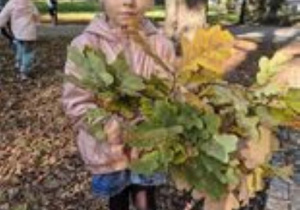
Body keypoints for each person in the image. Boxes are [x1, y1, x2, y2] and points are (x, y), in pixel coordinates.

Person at [62, 0, 175, 209]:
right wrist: (106, 125)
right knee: (117, 200)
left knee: (146, 198)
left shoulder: (161, 45)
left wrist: (154, 122)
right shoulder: (85, 45)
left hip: (149, 148)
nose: (128, 2)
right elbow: (75, 101)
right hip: (108, 150)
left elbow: (171, 94)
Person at [0, 0, 39, 80]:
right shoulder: (29, 3)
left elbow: (3, 16)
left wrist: (1, 24)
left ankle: (19, 65)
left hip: (18, 33)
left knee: (20, 49)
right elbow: (36, 15)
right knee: (27, 52)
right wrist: (36, 24)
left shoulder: (11, 3)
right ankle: (24, 71)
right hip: (29, 33)